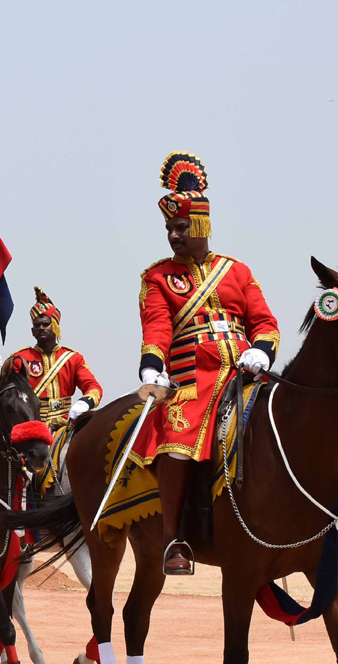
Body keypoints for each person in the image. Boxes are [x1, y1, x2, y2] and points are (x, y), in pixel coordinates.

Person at [130, 152, 280, 576]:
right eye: (168, 229)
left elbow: (264, 322)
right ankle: (173, 538)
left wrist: (262, 350)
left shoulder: (237, 271)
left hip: (244, 371)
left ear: (200, 224)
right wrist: (150, 367)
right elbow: (157, 327)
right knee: (176, 441)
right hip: (192, 379)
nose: (173, 236)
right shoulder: (158, 277)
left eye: (180, 227)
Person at [4, 288, 103, 432]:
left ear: (55, 327)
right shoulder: (20, 359)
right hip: (32, 424)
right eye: (37, 325)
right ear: (32, 331)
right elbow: (5, 394)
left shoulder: (73, 358)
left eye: (46, 324)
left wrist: (83, 403)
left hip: (65, 423)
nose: (41, 328)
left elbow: (94, 388)